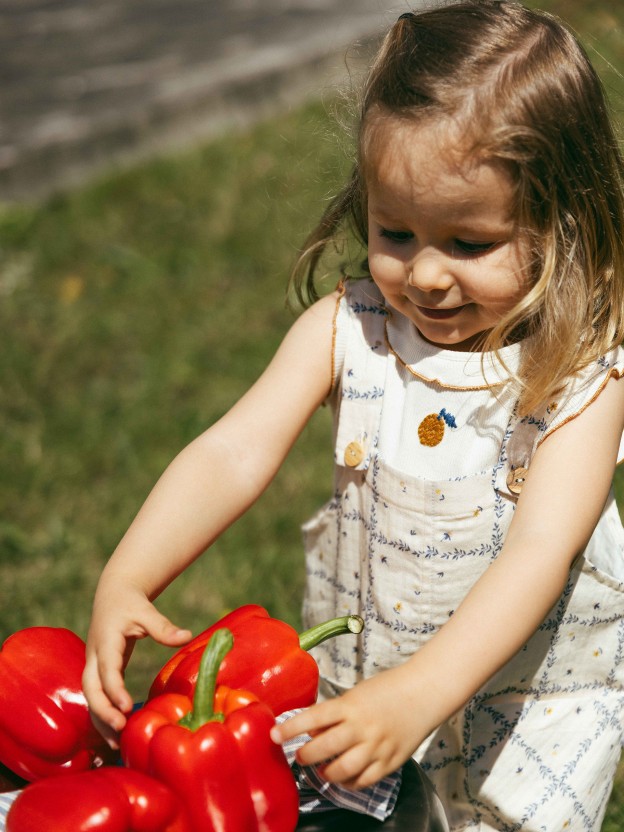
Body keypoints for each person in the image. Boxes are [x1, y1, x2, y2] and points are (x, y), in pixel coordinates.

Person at [83, 1, 624, 828]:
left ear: (562, 223)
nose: (428, 276)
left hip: (527, 718)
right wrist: (128, 574)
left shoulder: (581, 379)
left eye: (471, 243)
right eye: (396, 231)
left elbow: (539, 555)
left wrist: (419, 696)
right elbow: (232, 451)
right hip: (368, 685)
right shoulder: (351, 331)